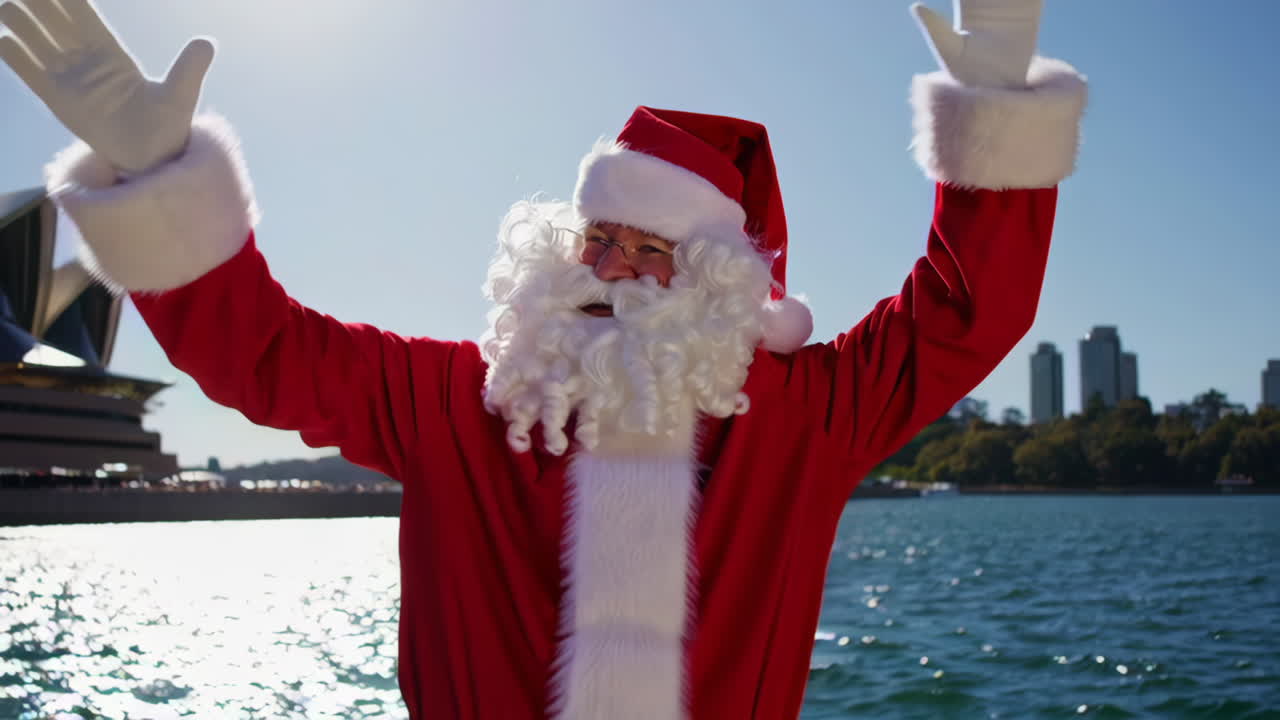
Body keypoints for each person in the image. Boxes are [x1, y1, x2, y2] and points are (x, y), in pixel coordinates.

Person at [0, 0, 1086, 717]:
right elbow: (264, 355)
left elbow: (961, 313)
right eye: (595, 237)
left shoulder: (806, 414)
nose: (605, 264)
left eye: (644, 246)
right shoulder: (461, 401)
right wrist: (154, 173)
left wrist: (997, 121)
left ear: (716, 276)